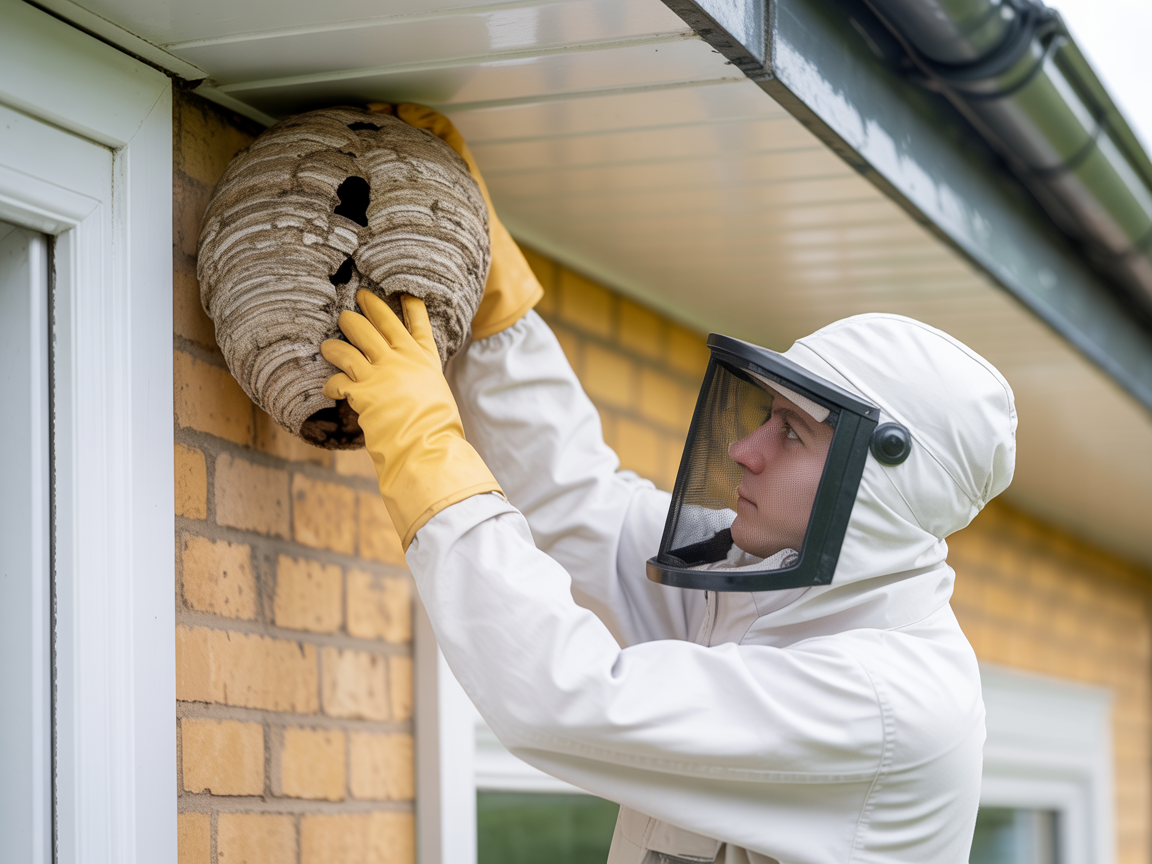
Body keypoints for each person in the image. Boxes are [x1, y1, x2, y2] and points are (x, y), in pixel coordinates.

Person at [321, 106, 1018, 864]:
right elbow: (577, 504)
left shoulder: (889, 705)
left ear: (880, 483)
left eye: (792, 433)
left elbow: (570, 698)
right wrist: (492, 296)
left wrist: (424, 447)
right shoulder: (759, 578)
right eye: (767, 416)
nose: (745, 449)